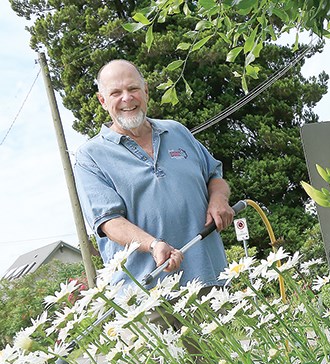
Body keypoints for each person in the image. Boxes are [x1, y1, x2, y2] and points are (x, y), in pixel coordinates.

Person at [74, 59, 234, 287]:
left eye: (133, 89)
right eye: (116, 93)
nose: (127, 98)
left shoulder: (177, 131)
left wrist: (219, 199)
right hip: (147, 295)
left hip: (210, 278)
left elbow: (215, 177)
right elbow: (109, 221)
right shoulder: (90, 156)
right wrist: (153, 245)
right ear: (102, 101)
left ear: (146, 91)